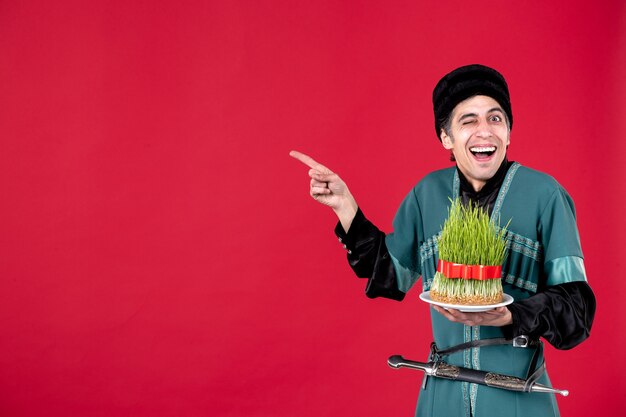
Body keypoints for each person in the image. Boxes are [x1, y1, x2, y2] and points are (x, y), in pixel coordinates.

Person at [290, 64, 596, 417]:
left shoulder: (546, 195)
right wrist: (345, 206)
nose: (485, 132)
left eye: (496, 119)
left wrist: (508, 315)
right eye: (469, 121)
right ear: (446, 137)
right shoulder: (427, 195)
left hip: (518, 395)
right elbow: (390, 274)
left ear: (509, 132)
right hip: (442, 394)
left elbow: (577, 309)